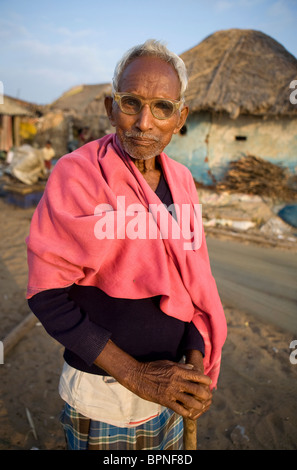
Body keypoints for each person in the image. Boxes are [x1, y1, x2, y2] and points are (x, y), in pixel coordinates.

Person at [26, 39, 227, 451]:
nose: (144, 122)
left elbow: (191, 285)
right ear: (109, 108)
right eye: (131, 102)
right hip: (102, 399)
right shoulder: (76, 175)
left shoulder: (184, 184)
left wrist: (193, 359)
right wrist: (136, 376)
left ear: (181, 116)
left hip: (171, 396)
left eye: (162, 108)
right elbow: (47, 295)